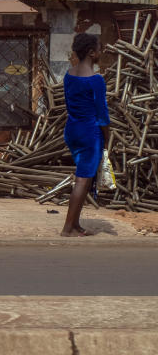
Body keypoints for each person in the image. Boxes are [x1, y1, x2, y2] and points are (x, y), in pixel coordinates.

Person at [61, 32, 110, 237]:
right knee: (83, 179)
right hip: (90, 133)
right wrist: (107, 139)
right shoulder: (96, 80)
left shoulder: (69, 75)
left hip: (72, 130)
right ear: (91, 52)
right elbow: (102, 115)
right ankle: (68, 228)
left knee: (83, 177)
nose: (101, 51)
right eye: (99, 48)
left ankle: (76, 224)